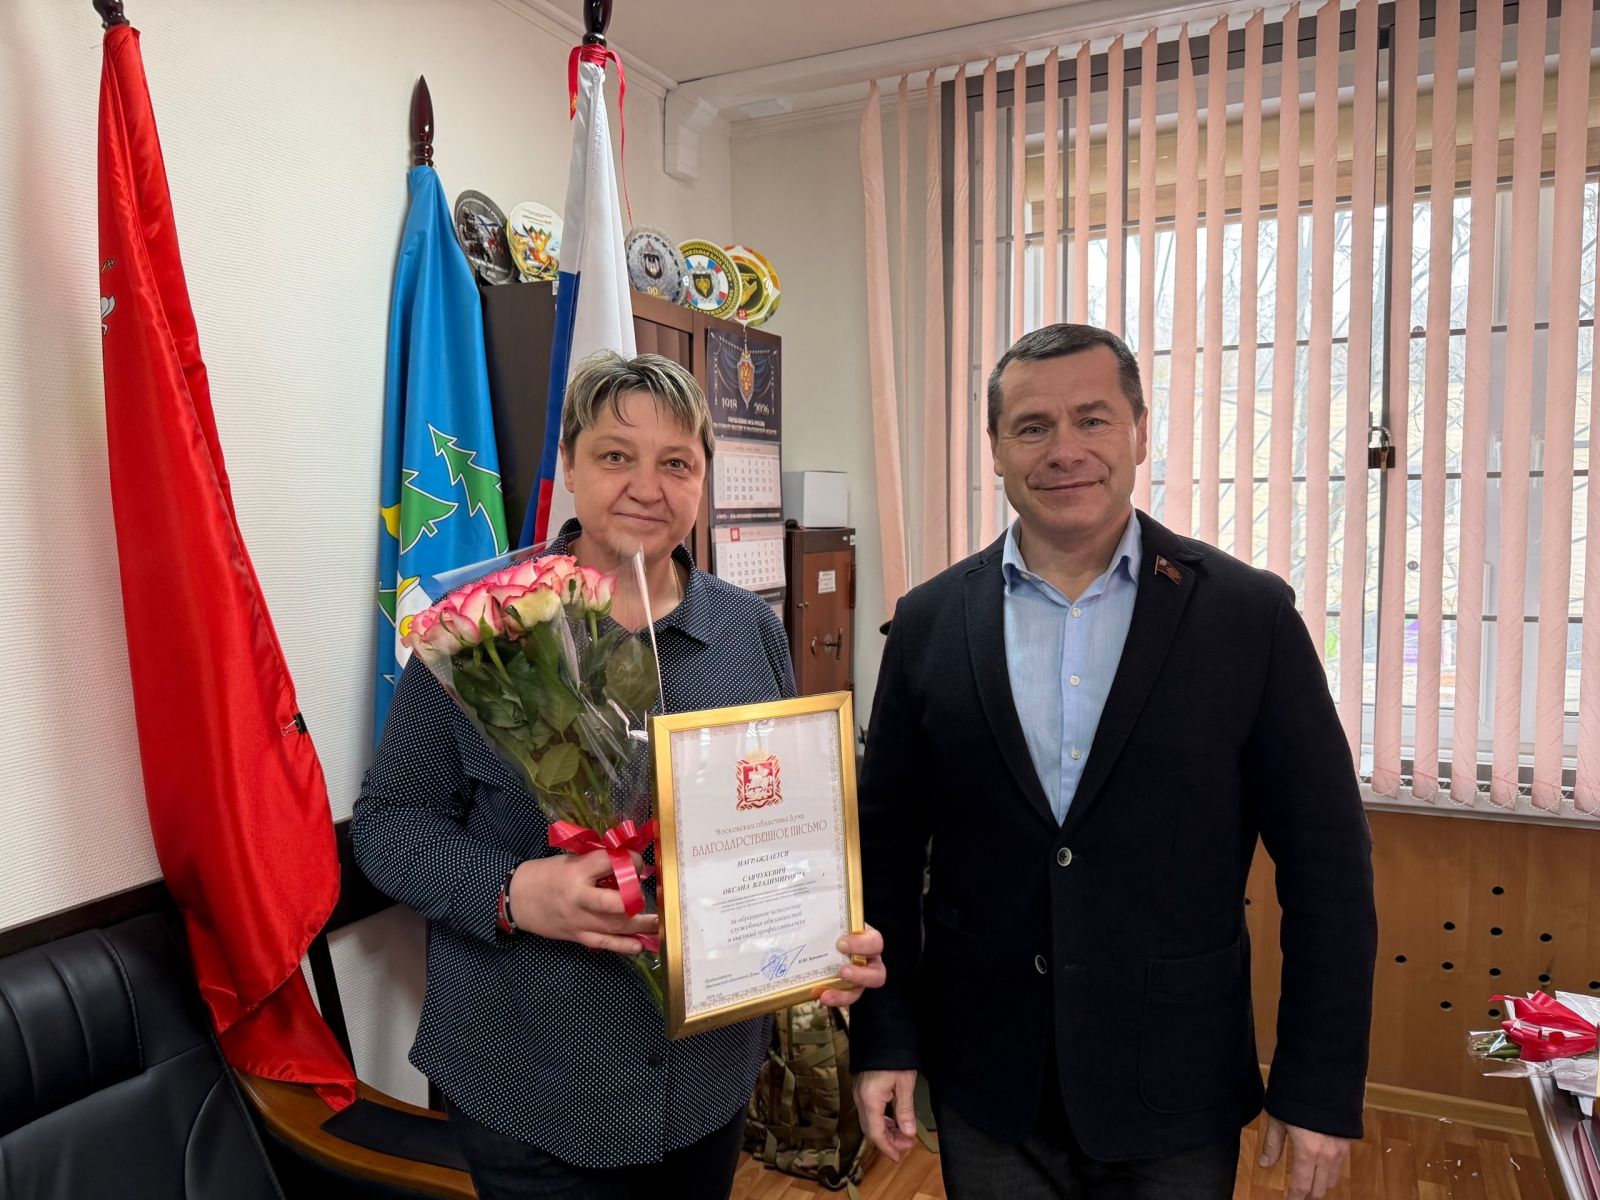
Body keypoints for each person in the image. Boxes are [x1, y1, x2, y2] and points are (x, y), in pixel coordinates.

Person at [850, 324, 1377, 1200]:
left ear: (1138, 432)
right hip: (988, 1081)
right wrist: (886, 1040)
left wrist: (1318, 1082)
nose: (1065, 450)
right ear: (995, 449)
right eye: (1032, 427)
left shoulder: (1248, 618)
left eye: (1093, 419)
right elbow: (886, 858)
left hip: (1175, 1080)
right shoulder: (929, 623)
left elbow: (1328, 867)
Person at [353, 351, 885, 1199]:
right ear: (568, 465)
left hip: (706, 1082)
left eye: (676, 463)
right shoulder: (478, 634)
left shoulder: (748, 633)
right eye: (614, 455)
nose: (647, 486)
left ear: (703, 479)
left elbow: (782, 820)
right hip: (532, 1084)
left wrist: (826, 930)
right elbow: (389, 824)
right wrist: (513, 891)